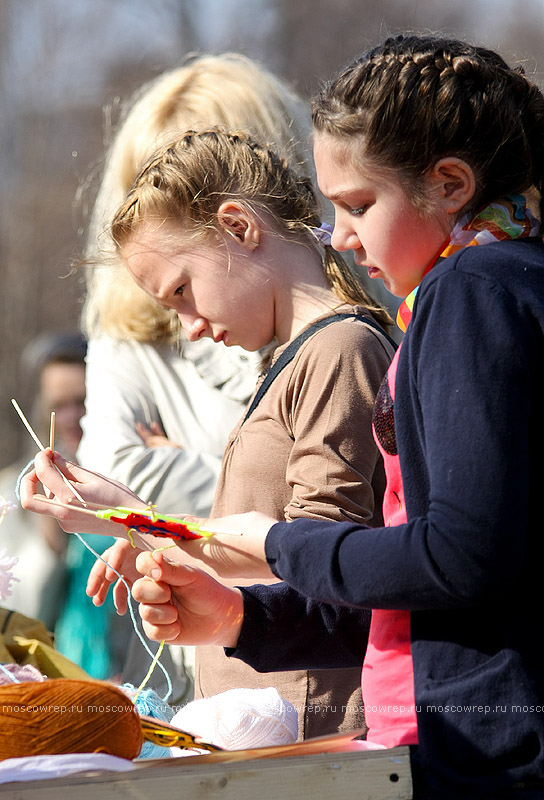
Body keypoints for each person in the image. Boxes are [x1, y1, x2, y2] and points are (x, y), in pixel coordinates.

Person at [70, 34, 544, 798]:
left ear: (451, 183)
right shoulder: (482, 289)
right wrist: (238, 619)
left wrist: (282, 545)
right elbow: (411, 587)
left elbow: (459, 556)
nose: (342, 235)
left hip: (481, 750)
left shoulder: (473, 292)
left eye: (359, 205)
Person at [20, 127, 395, 740]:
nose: (189, 326)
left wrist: (140, 525)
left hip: (312, 738)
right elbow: (268, 550)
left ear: (239, 227)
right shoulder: (295, 361)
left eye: (182, 292)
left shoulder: (340, 350)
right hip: (271, 734)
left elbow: (315, 558)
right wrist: (141, 524)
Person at [76, 53, 340, 697]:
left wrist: (179, 507)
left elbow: (321, 539)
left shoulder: (336, 345)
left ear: (241, 218)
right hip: (230, 682)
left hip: (309, 690)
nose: (156, 202)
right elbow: (112, 469)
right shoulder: (138, 334)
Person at [0, 332, 87, 629]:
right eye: (59, 406)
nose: (72, 417)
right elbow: (21, 612)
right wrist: (50, 541)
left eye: (82, 401)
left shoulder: (127, 483)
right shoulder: (10, 495)